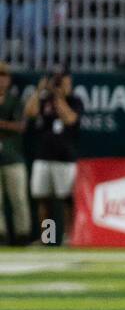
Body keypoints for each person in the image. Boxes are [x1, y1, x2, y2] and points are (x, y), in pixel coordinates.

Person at [25, 69, 81, 245]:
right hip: (43, 155)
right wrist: (38, 91)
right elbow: (30, 113)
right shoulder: (43, 100)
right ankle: (46, 238)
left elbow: (70, 119)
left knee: (67, 200)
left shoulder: (74, 100)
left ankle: (68, 238)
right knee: (43, 199)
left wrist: (58, 97)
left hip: (64, 157)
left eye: (62, 81)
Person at [0, 61, 31, 244]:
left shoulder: (16, 101)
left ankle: (23, 234)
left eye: (4, 77)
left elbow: (20, 126)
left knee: (19, 198)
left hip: (13, 156)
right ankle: (1, 235)